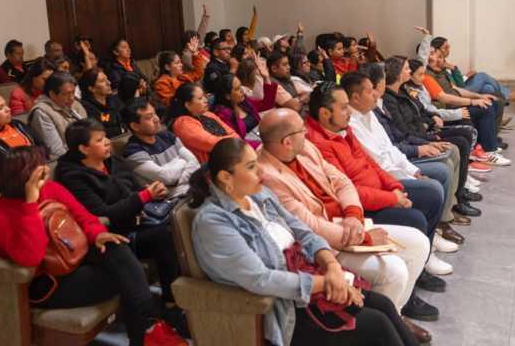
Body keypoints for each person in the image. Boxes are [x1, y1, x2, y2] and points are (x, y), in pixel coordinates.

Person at [191, 138, 419, 346]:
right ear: (225, 177)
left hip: (310, 282)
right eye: (251, 167)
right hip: (282, 305)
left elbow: (305, 233)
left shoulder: (260, 196)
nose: (260, 170)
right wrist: (327, 283)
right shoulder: (213, 222)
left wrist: (333, 268)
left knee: (383, 305)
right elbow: (261, 279)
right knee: (377, 325)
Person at [256, 108, 434, 341]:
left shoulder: (304, 148)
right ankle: (369, 330)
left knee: (419, 242)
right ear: (287, 142)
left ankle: (396, 315)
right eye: (301, 130)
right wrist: (363, 238)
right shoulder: (268, 175)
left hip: (348, 224)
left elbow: (342, 181)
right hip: (326, 245)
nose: (306, 133)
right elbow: (309, 226)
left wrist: (352, 214)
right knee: (393, 270)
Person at [0, 146, 186, 346]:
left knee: (116, 247)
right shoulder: (1, 215)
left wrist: (98, 234)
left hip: (75, 256)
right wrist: (31, 204)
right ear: (24, 177)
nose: (46, 170)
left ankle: (145, 331)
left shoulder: (51, 189)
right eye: (38, 168)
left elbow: (85, 218)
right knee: (127, 276)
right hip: (51, 282)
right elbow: (33, 256)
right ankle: (146, 332)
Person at [303, 83, 449, 295]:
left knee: (432, 193)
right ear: (325, 113)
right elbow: (348, 191)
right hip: (361, 207)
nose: (349, 111)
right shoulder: (319, 144)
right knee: (415, 218)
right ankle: (410, 287)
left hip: (380, 191)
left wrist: (395, 187)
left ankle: (423, 261)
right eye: (343, 107)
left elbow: (370, 163)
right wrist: (392, 198)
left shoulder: (343, 129)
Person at [55, 120, 185, 322]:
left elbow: (135, 188)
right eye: (100, 140)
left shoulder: (111, 160)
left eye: (106, 137)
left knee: (177, 221)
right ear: (83, 148)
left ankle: (183, 295)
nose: (107, 142)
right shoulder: (73, 177)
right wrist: (143, 197)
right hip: (114, 236)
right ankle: (170, 304)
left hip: (139, 219)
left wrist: (151, 192)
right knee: (163, 236)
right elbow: (102, 215)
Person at [338, 73, 452, 277]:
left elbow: (388, 150)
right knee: (433, 189)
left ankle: (431, 238)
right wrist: (397, 188)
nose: (376, 94)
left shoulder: (368, 114)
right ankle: (426, 254)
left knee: (440, 174)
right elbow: (379, 163)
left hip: (389, 176)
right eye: (370, 90)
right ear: (355, 97)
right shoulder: (351, 125)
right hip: (383, 181)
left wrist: (413, 171)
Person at [383, 58, 482, 223]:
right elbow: (404, 131)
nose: (409, 71)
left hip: (422, 133)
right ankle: (454, 203)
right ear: (397, 73)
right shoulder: (389, 100)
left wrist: (432, 117)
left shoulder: (403, 90)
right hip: (417, 139)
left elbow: (422, 110)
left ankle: (459, 194)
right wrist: (428, 139)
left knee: (465, 135)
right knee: (459, 143)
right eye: (406, 69)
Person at [424, 49, 511, 164]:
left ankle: (487, 143)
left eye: (440, 57)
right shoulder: (427, 76)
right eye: (436, 56)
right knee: (485, 106)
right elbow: (444, 98)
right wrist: (472, 102)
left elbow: (457, 89)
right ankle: (489, 151)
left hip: (455, 103)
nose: (441, 60)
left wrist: (479, 96)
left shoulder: (441, 73)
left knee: (490, 99)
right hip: (449, 108)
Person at [121, 98, 199, 196]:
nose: (157, 119)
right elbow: (168, 178)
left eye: (155, 114)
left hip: (195, 188)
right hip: (173, 199)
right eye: (149, 117)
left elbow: (194, 162)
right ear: (135, 126)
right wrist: (183, 162)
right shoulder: (133, 151)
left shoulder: (167, 135)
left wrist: (177, 180)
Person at [211, 58, 277, 148]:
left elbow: (267, 104)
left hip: (260, 138)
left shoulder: (243, 103)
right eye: (237, 89)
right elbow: (236, 142)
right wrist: (262, 145)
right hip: (247, 148)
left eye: (240, 87)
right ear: (227, 96)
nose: (242, 90)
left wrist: (266, 78)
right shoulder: (222, 115)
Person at [432, 37, 515, 103]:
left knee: (488, 88)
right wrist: (454, 69)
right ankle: (506, 95)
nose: (448, 50)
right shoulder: (437, 65)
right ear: (437, 50)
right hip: (457, 92)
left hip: (459, 88)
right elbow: (456, 85)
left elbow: (455, 82)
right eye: (445, 48)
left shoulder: (444, 63)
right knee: (482, 76)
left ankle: (499, 115)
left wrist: (465, 76)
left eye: (449, 47)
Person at [167, 82, 238, 163]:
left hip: (231, 153)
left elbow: (232, 132)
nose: (206, 100)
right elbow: (212, 143)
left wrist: (235, 140)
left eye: (204, 96)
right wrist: (234, 140)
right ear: (188, 105)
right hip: (215, 165)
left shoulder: (208, 114)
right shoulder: (182, 124)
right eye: (200, 98)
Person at [28, 72, 87, 160]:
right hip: (67, 161)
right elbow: (56, 151)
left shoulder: (75, 104)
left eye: (73, 92)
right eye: (66, 94)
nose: (71, 98)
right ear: (52, 94)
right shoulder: (41, 113)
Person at [154, 42, 207, 107]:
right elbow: (171, 103)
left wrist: (195, 53)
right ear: (167, 67)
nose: (181, 65)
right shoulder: (162, 83)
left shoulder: (181, 77)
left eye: (180, 62)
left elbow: (198, 73)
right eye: (177, 63)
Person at [79, 68, 125, 138]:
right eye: (102, 81)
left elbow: (127, 117)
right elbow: (99, 131)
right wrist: (121, 129)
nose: (109, 83)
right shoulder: (87, 108)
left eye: (107, 79)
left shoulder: (113, 99)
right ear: (92, 88)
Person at [181, 4, 211, 72]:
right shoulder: (186, 55)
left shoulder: (197, 47)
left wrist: (206, 16)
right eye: (196, 41)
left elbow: (202, 31)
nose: (199, 42)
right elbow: (199, 69)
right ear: (188, 43)